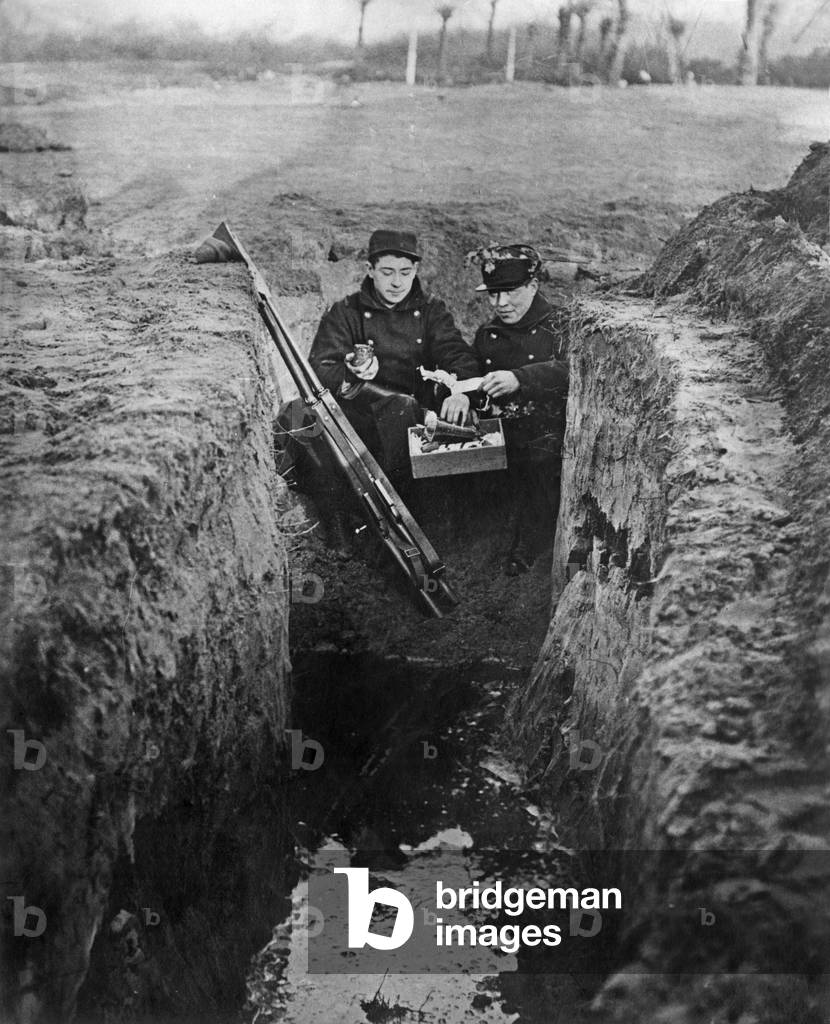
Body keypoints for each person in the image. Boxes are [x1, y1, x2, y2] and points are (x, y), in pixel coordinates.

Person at [281, 229, 479, 553]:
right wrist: (348, 372)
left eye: (406, 272)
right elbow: (318, 369)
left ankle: (419, 531)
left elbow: (457, 355)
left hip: (411, 418)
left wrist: (459, 391)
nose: (397, 283)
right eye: (387, 272)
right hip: (360, 416)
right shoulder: (345, 312)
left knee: (406, 415)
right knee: (304, 421)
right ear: (370, 270)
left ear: (415, 271)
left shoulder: (431, 312)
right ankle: (340, 524)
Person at [468, 243, 569, 575]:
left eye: (509, 292)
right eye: (493, 294)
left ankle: (530, 542)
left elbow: (575, 371)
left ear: (533, 286)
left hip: (549, 434)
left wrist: (521, 378)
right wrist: (459, 393)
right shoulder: (488, 334)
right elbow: (472, 374)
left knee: (539, 467)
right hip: (499, 433)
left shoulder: (561, 324)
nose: (500, 304)